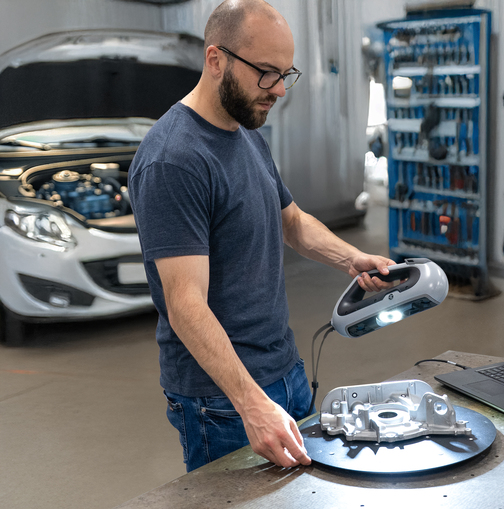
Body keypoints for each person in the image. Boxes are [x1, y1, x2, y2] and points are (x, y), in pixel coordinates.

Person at [128, 0, 394, 471]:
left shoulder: (245, 129)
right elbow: (185, 304)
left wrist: (351, 258)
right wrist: (250, 403)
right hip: (223, 398)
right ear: (216, 60)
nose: (279, 90)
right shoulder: (173, 160)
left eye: (285, 74)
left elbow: (290, 219)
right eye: (266, 73)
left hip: (284, 368)